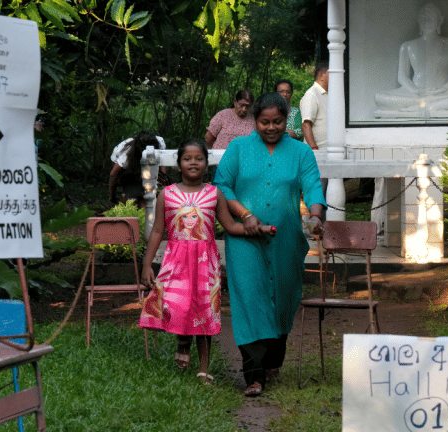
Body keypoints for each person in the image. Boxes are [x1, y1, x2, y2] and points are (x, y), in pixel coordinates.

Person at [214, 92, 326, 397]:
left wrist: (316, 216)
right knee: (249, 299)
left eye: (277, 121)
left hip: (286, 240)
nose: (272, 127)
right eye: (265, 122)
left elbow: (313, 186)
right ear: (255, 120)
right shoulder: (238, 148)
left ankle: (274, 359)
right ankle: (254, 375)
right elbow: (221, 184)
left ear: (285, 119)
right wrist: (245, 215)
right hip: (244, 239)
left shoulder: (301, 153)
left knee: (283, 299)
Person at [139, 138, 275, 385]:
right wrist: (147, 265)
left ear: (206, 164)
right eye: (187, 159)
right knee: (175, 305)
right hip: (176, 263)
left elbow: (231, 226)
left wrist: (260, 229)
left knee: (204, 313)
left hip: (205, 263)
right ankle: (182, 341)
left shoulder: (214, 194)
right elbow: (158, 231)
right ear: (179, 164)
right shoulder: (166, 195)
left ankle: (203, 368)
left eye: (199, 159)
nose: (193, 163)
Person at [374, 3, 448, 118]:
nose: (426, 20)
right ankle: (433, 106)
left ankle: (428, 106)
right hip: (415, 94)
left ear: (440, 20)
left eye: (431, 16)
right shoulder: (407, 46)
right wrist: (417, 91)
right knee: (379, 97)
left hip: (446, 93)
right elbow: (402, 76)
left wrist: (443, 89)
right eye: (422, 17)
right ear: (418, 21)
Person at [108, 131, 165, 208]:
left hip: (143, 165)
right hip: (127, 169)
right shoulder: (125, 156)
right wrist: (112, 195)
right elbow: (113, 175)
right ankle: (128, 199)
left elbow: (162, 162)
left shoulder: (160, 143)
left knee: (146, 200)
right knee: (132, 200)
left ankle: (142, 204)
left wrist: (162, 183)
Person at [300, 62, 328, 151]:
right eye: (332, 74)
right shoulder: (311, 95)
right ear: (321, 75)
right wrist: (314, 149)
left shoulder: (328, 94)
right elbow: (306, 125)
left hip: (329, 152)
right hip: (317, 152)